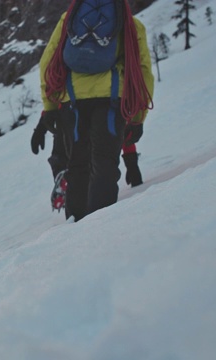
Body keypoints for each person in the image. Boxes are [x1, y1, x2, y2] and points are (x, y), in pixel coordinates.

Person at [30, 0, 154, 221]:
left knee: (77, 166)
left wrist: (49, 107)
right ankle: (98, 230)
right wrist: (137, 117)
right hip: (111, 101)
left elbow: (47, 63)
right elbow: (143, 71)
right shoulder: (129, 24)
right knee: (105, 164)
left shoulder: (69, 20)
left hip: (73, 102)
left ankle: (74, 225)